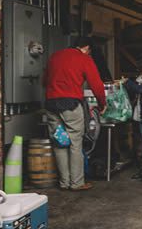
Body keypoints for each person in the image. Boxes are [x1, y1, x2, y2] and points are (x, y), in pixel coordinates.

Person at [44, 36, 106, 191]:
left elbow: (44, 80)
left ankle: (64, 182)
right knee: (75, 143)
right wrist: (102, 103)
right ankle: (77, 183)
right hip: (70, 104)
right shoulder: (84, 59)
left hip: (51, 104)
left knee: (59, 142)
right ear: (86, 48)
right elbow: (96, 84)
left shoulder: (55, 56)